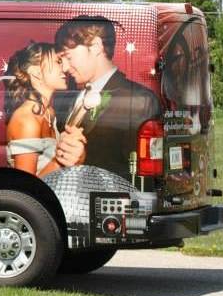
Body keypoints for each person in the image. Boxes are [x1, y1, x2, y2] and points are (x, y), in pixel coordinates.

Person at [53, 15, 161, 181]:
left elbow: (138, 173)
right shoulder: (70, 98)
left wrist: (84, 161)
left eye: (68, 57)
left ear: (96, 46)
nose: (65, 67)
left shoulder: (138, 100)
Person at [4, 42, 70, 177]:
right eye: (58, 62)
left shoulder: (49, 112)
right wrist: (63, 158)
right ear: (36, 72)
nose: (65, 69)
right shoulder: (27, 120)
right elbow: (26, 188)